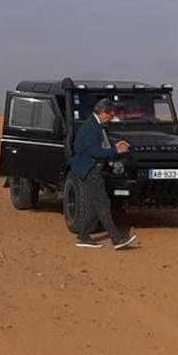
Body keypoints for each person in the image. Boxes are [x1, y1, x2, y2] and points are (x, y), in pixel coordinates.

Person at [69, 99, 137, 250]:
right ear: (102, 112)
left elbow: (100, 147)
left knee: (96, 205)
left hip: (93, 169)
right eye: (110, 115)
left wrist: (114, 146)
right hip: (90, 169)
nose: (111, 118)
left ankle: (83, 236)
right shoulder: (91, 128)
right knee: (103, 203)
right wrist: (116, 151)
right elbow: (95, 152)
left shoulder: (96, 126)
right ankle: (117, 239)